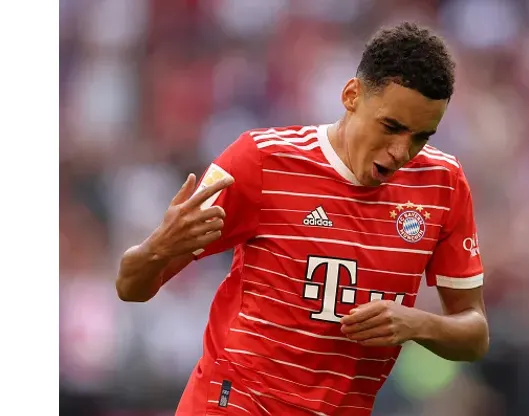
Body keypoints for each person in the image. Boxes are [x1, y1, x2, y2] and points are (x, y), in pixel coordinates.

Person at [116, 22, 489, 415]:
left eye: (420, 137)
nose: (400, 151)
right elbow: (131, 285)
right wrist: (157, 248)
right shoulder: (261, 160)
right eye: (391, 127)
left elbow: (475, 333)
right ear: (351, 95)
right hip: (234, 402)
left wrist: (417, 324)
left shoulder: (443, 185)